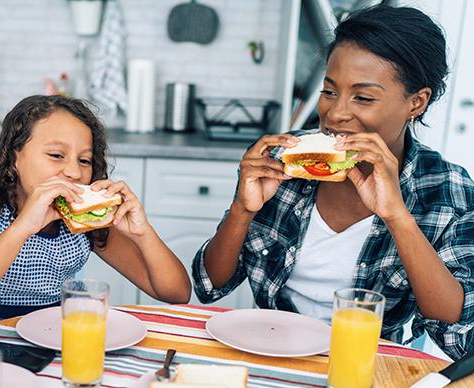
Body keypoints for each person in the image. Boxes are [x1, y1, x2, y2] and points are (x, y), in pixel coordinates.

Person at [192, 5, 474, 360]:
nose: (336, 113)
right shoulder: (284, 160)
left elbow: (459, 328)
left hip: (369, 365)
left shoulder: (447, 189)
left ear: (416, 103)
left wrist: (397, 216)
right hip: (270, 352)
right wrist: (242, 210)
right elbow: (210, 285)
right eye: (329, 91)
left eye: (364, 98)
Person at [0, 95, 191, 331]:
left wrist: (143, 233)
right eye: (56, 155)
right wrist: (23, 227)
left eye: (84, 160)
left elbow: (177, 293)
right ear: (13, 157)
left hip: (55, 337)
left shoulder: (84, 220)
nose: (73, 172)